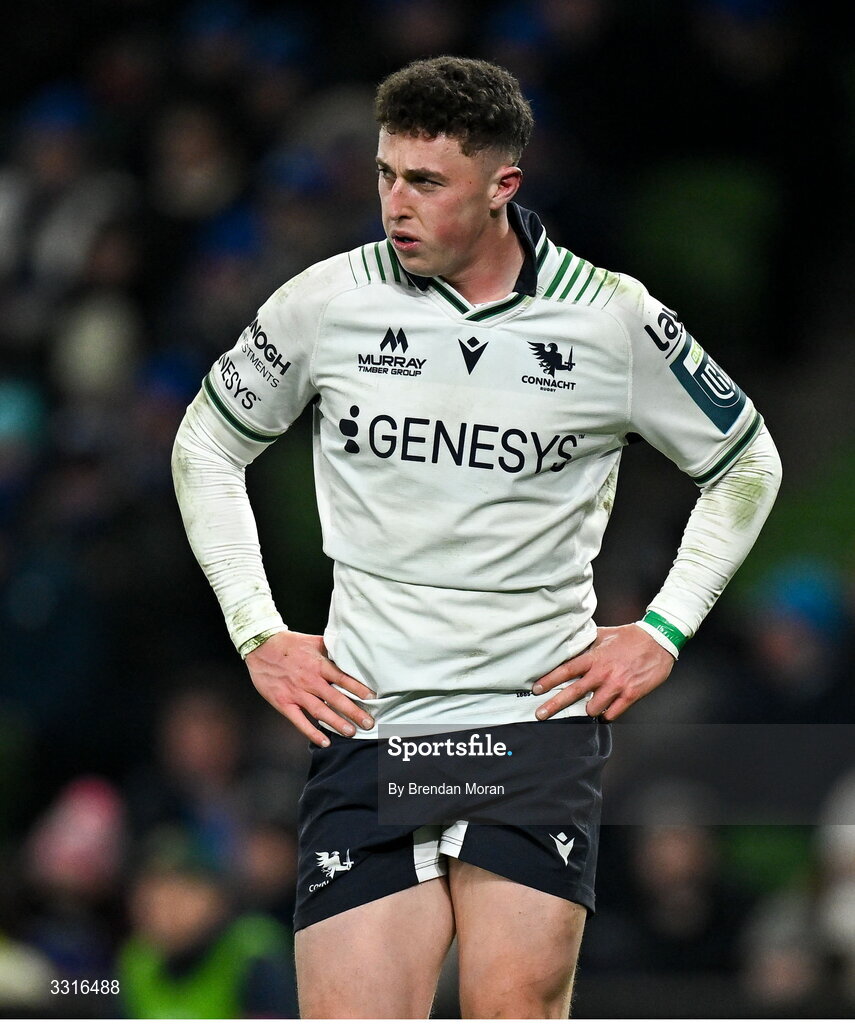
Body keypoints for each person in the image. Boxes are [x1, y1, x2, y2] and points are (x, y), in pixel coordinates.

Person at [172, 55, 782, 1018]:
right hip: (367, 723)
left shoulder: (611, 320)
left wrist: (661, 629)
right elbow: (205, 441)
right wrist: (257, 629)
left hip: (529, 728)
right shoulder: (327, 302)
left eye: (424, 181)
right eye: (384, 174)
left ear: (504, 186)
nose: (394, 204)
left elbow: (746, 463)